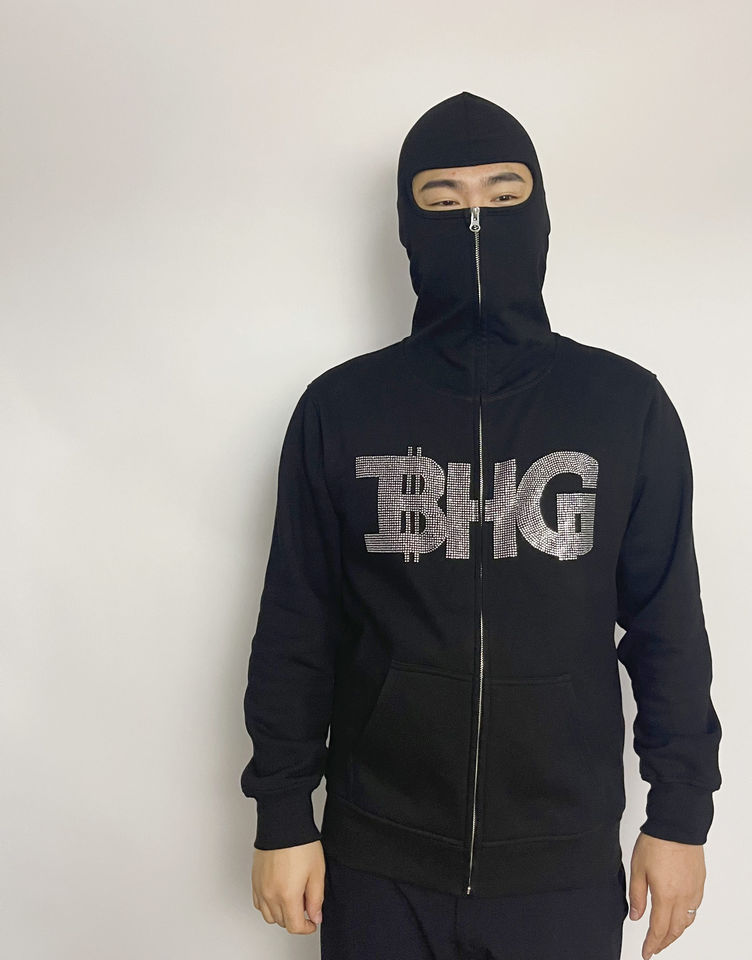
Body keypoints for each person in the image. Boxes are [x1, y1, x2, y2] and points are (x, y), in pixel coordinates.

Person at [240, 90, 722, 960]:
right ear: (407, 225)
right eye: (443, 197)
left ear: (540, 214)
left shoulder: (624, 406)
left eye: (503, 194)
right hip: (379, 858)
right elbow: (297, 623)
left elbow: (667, 626)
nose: (474, 219)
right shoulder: (340, 409)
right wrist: (282, 813)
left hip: (561, 862)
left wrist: (680, 815)